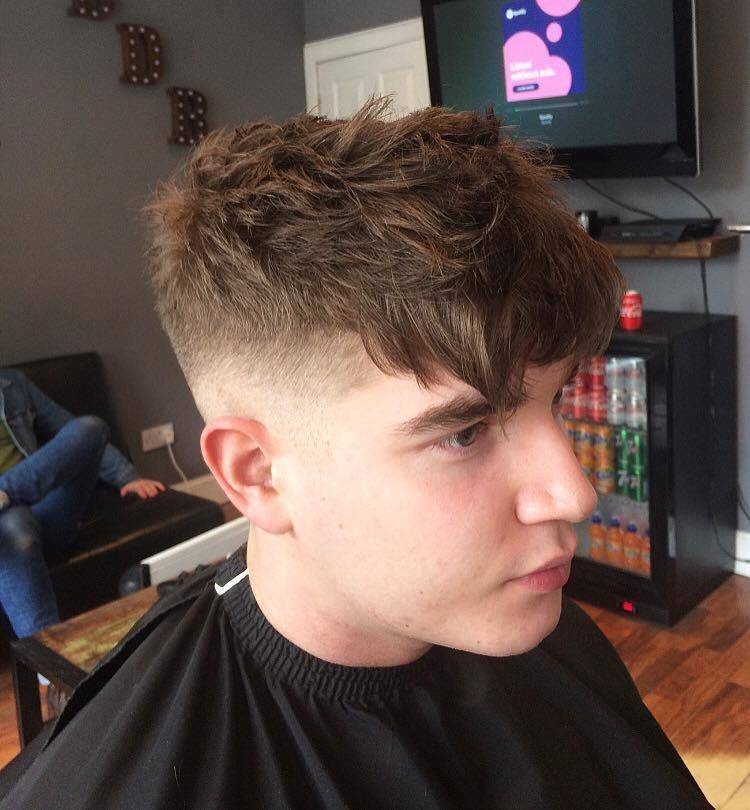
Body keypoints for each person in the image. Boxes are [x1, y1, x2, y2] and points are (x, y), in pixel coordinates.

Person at [0, 97, 712, 808]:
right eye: (463, 433)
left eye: (555, 400)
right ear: (258, 475)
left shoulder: (542, 633)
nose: (575, 493)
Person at [0, 367, 165, 640]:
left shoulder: (12, 384)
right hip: (9, 529)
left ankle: (5, 492)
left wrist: (127, 477)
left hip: (48, 509)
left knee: (89, 427)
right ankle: (49, 653)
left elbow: (69, 427)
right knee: (13, 525)